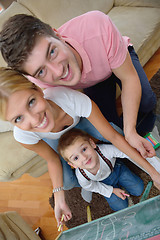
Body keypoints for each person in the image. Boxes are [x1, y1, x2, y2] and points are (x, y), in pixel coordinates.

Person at [0, 68, 159, 227]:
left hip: (81, 124)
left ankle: (112, 162)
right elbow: (52, 159)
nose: (35, 119)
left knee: (116, 133)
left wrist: (153, 172)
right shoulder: (23, 135)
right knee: (66, 182)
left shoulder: (70, 99)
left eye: (31, 102)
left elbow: (114, 137)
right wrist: (59, 197)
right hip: (60, 144)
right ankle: (93, 179)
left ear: (37, 89)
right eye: (18, 118)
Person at [0, 11, 156, 160]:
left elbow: (128, 78)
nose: (58, 70)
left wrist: (130, 132)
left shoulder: (97, 26)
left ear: (57, 35)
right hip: (94, 83)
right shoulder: (36, 82)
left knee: (147, 101)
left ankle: (141, 129)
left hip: (115, 60)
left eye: (52, 52)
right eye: (41, 71)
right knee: (111, 126)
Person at [58, 128, 144, 211]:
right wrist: (111, 190)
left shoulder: (105, 150)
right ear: (73, 165)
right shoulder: (81, 176)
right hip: (103, 183)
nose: (84, 158)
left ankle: (123, 181)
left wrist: (142, 155)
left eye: (84, 149)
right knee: (121, 207)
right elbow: (91, 186)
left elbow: (126, 152)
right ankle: (115, 189)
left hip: (118, 170)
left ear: (92, 144)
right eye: (76, 158)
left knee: (139, 189)